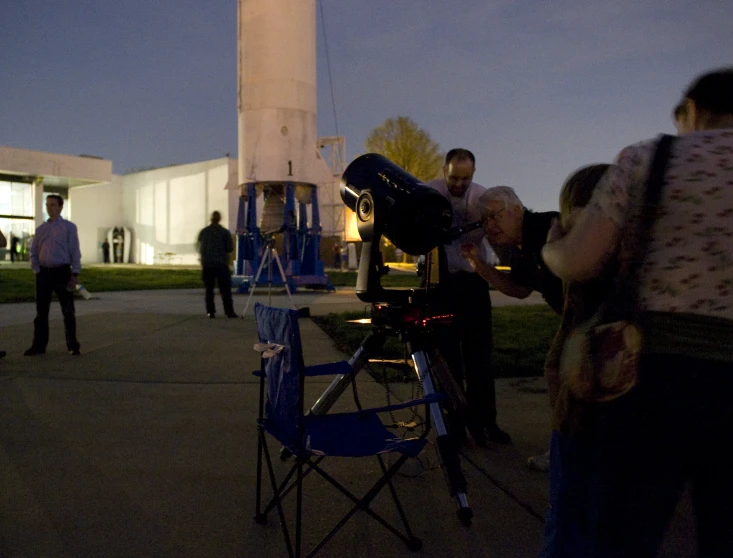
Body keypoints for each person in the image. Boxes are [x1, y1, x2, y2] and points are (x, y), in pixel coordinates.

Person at [540, 67, 733, 557]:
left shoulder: (650, 159)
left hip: (654, 375)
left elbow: (583, 261)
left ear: (691, 110)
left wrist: (552, 249)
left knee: (626, 533)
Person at [462, 185, 565, 468]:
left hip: (596, 312)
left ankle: (568, 452)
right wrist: (478, 263)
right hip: (575, 317)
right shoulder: (513, 250)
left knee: (560, 372)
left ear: (517, 209)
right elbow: (518, 290)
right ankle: (569, 449)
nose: (490, 226)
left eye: (495, 216)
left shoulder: (550, 227)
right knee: (559, 373)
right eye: (485, 221)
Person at [426, 148, 510, 446]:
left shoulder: (481, 198)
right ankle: (454, 426)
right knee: (447, 358)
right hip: (441, 284)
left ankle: (486, 423)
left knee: (480, 356)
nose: (459, 184)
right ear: (444, 171)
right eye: (454, 177)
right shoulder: (430, 192)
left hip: (473, 282)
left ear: (473, 174)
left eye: (465, 178)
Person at [25, 195, 82, 356]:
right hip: (44, 273)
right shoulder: (41, 229)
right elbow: (34, 251)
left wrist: (75, 272)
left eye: (52, 205)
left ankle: (72, 345)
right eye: (47, 205)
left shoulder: (68, 227)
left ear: (60, 207)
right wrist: (36, 269)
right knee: (41, 312)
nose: (49, 208)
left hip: (62, 272)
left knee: (68, 310)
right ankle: (39, 345)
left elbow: (74, 251)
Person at [197, 210, 237, 319]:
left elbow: (200, 247)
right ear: (219, 219)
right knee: (225, 290)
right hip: (221, 265)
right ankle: (229, 312)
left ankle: (211, 312)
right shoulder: (224, 232)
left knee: (209, 289)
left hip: (207, 265)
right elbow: (230, 248)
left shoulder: (204, 232)